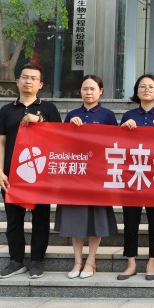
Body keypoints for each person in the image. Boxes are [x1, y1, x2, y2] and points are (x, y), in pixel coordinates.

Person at [0, 63, 62, 279]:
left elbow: (59, 137)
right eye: (24, 77)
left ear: (40, 84)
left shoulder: (49, 109)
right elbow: (0, 142)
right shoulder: (6, 110)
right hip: (12, 174)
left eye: (33, 78)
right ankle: (16, 261)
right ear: (17, 81)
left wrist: (39, 120)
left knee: (40, 218)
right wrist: (0, 172)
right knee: (14, 219)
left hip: (40, 173)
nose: (28, 81)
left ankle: (37, 261)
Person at [57, 74, 119, 279]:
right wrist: (69, 128)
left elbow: (114, 143)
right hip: (76, 173)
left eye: (93, 89)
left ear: (101, 91)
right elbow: (62, 144)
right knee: (75, 217)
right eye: (85, 89)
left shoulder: (108, 115)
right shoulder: (72, 114)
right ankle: (77, 261)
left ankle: (91, 261)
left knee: (96, 218)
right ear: (80, 91)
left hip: (98, 173)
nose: (89, 92)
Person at [118, 74, 154, 281]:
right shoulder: (128, 115)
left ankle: (152, 262)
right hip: (132, 175)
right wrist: (123, 129)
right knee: (130, 221)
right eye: (142, 86)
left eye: (151, 86)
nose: (147, 90)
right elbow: (118, 145)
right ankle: (131, 262)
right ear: (137, 91)